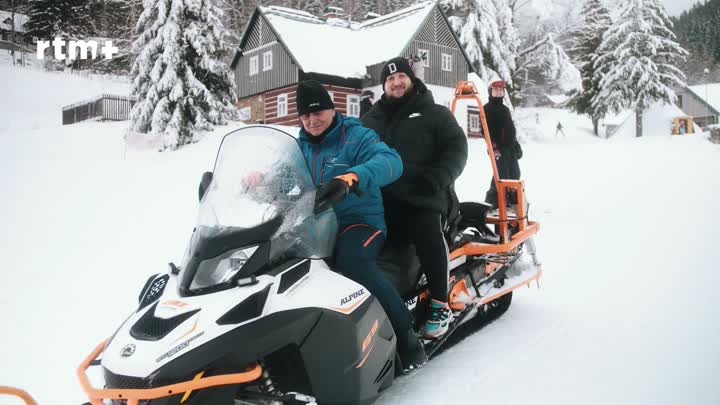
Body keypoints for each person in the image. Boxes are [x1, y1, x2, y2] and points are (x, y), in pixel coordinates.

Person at [294, 80, 427, 370]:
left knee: (352, 261)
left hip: (359, 222)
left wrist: (350, 178)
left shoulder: (355, 136)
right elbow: (283, 178)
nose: (312, 121)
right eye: (305, 116)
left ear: (331, 109)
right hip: (316, 227)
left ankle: (406, 335)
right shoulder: (299, 146)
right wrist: (253, 181)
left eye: (317, 113)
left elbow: (391, 161)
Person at [361, 57, 468, 340]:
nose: (396, 83)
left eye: (401, 78)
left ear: (411, 79)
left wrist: (438, 177)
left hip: (425, 196)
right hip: (382, 200)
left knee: (426, 233)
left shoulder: (434, 113)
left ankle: (439, 304)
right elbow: (349, 150)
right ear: (383, 85)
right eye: (389, 79)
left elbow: (457, 148)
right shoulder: (370, 120)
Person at [483, 80, 521, 209]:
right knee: (500, 176)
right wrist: (493, 147)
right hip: (497, 148)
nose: (498, 92)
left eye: (501, 90)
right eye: (495, 90)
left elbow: (510, 129)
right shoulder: (486, 109)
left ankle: (511, 203)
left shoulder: (505, 109)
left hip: (509, 148)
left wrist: (516, 145)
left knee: (515, 174)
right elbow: (485, 130)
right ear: (491, 92)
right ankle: (491, 204)